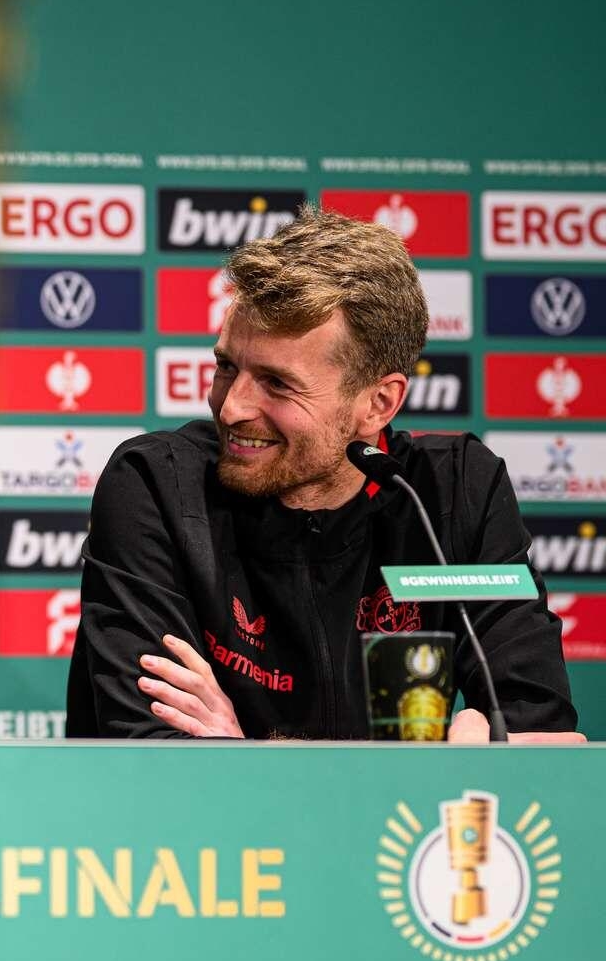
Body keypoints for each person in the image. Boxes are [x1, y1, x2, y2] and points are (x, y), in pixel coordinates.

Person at [67, 208, 579, 741]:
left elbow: (535, 733)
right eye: (227, 367)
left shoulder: (453, 492)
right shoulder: (158, 487)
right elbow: (150, 757)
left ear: (379, 403)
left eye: (276, 383)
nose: (232, 407)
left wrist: (243, 752)